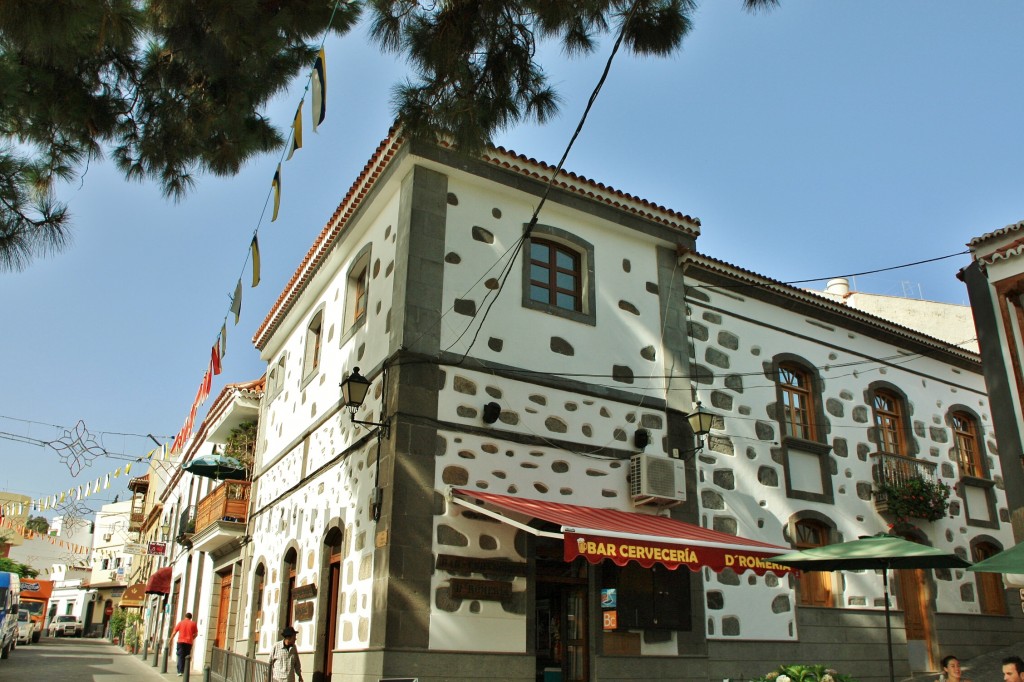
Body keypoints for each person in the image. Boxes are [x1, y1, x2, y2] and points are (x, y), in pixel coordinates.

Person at [170, 612, 199, 677]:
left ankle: (180, 671)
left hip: (180, 641)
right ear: (191, 617)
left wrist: (170, 640)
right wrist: (192, 638)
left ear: (185, 616)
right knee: (187, 656)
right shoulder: (193, 624)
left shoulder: (181, 623)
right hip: (189, 642)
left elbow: (174, 632)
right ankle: (185, 670)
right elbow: (196, 634)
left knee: (180, 656)